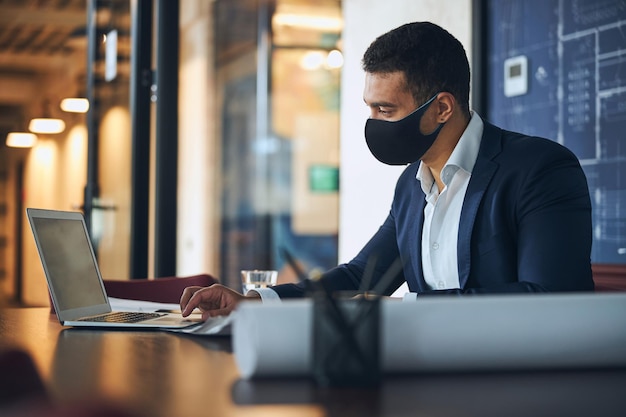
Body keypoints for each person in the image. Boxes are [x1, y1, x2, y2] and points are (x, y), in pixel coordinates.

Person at [181, 21, 594, 321]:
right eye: (369, 108)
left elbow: (547, 299)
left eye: (385, 109)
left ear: (441, 108)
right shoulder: (410, 186)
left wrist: (409, 308)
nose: (374, 122)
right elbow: (364, 276)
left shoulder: (540, 169)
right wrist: (256, 301)